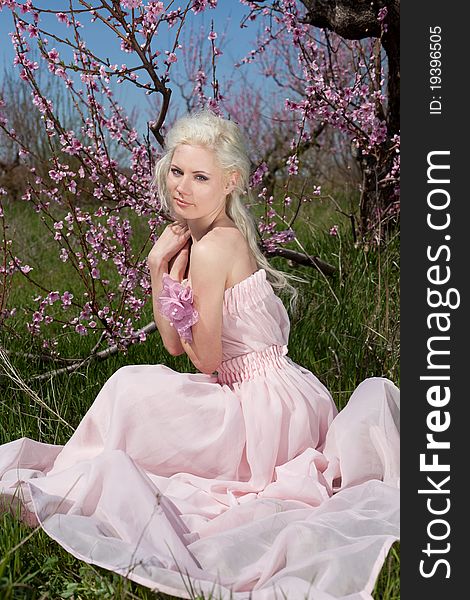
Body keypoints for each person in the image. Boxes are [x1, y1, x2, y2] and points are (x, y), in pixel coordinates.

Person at [0, 110, 399, 600]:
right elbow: (173, 343)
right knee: (131, 383)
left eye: (201, 177)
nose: (183, 187)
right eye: (177, 171)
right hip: (259, 390)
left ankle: (78, 477)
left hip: (262, 411)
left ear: (230, 182)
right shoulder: (198, 240)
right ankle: (84, 470)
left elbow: (203, 360)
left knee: (131, 386)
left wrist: (176, 286)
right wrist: (157, 269)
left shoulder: (215, 248)